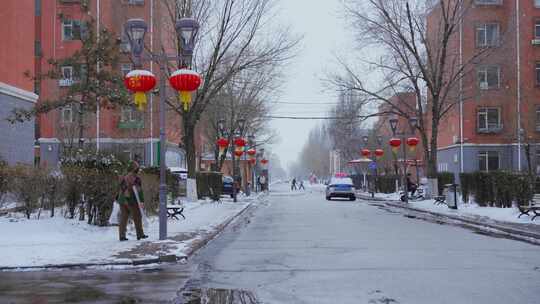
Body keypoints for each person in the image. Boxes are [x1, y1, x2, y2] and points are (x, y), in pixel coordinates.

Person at [117, 161, 148, 242]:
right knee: (137, 216)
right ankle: (140, 234)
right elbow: (139, 191)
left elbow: (120, 188)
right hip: (131, 200)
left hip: (122, 200)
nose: (139, 170)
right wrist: (142, 201)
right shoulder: (136, 178)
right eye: (138, 168)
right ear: (135, 169)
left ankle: (122, 236)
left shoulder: (123, 176)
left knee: (123, 218)